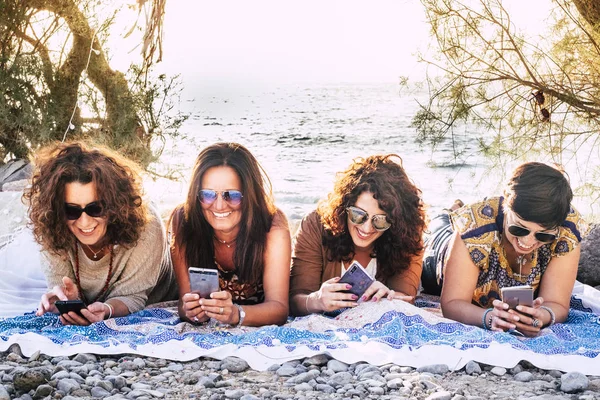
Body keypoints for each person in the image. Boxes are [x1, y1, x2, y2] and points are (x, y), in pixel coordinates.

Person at [421, 162, 588, 337]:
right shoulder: (473, 227)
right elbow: (452, 303)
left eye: (543, 235)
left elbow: (557, 303)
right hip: (441, 250)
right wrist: (489, 318)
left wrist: (542, 317)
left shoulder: (567, 232)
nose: (527, 241)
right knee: (439, 225)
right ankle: (451, 210)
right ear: (505, 206)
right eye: (520, 228)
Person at [25, 141, 178, 325]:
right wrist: (66, 300)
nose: (84, 222)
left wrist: (107, 310)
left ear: (115, 205)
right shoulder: (52, 226)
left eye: (96, 208)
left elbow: (134, 296)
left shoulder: (147, 225)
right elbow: (59, 286)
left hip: (152, 298)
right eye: (71, 210)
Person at [289, 154, 426, 316]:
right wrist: (316, 300)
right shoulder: (315, 225)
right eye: (358, 215)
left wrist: (389, 298)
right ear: (343, 207)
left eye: (381, 221)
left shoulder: (407, 235)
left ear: (396, 222)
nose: (367, 228)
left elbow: (406, 297)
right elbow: (296, 300)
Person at [170, 142, 291, 327]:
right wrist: (192, 312)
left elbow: (280, 309)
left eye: (232, 196)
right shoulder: (184, 222)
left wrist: (236, 314)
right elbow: (183, 304)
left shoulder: (272, 227)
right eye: (208, 195)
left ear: (250, 196)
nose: (219, 206)